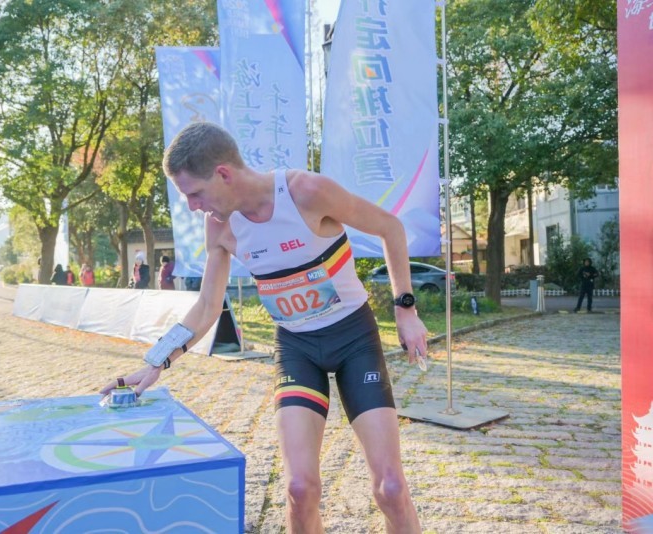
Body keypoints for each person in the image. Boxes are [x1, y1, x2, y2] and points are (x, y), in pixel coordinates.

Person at [101, 122, 427, 532]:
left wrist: (405, 310)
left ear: (223, 173)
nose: (193, 207)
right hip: (297, 349)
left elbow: (390, 228)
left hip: (354, 338)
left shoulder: (306, 192)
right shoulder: (220, 226)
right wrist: (155, 361)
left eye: (195, 193)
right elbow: (207, 306)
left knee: (391, 488)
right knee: (299, 489)